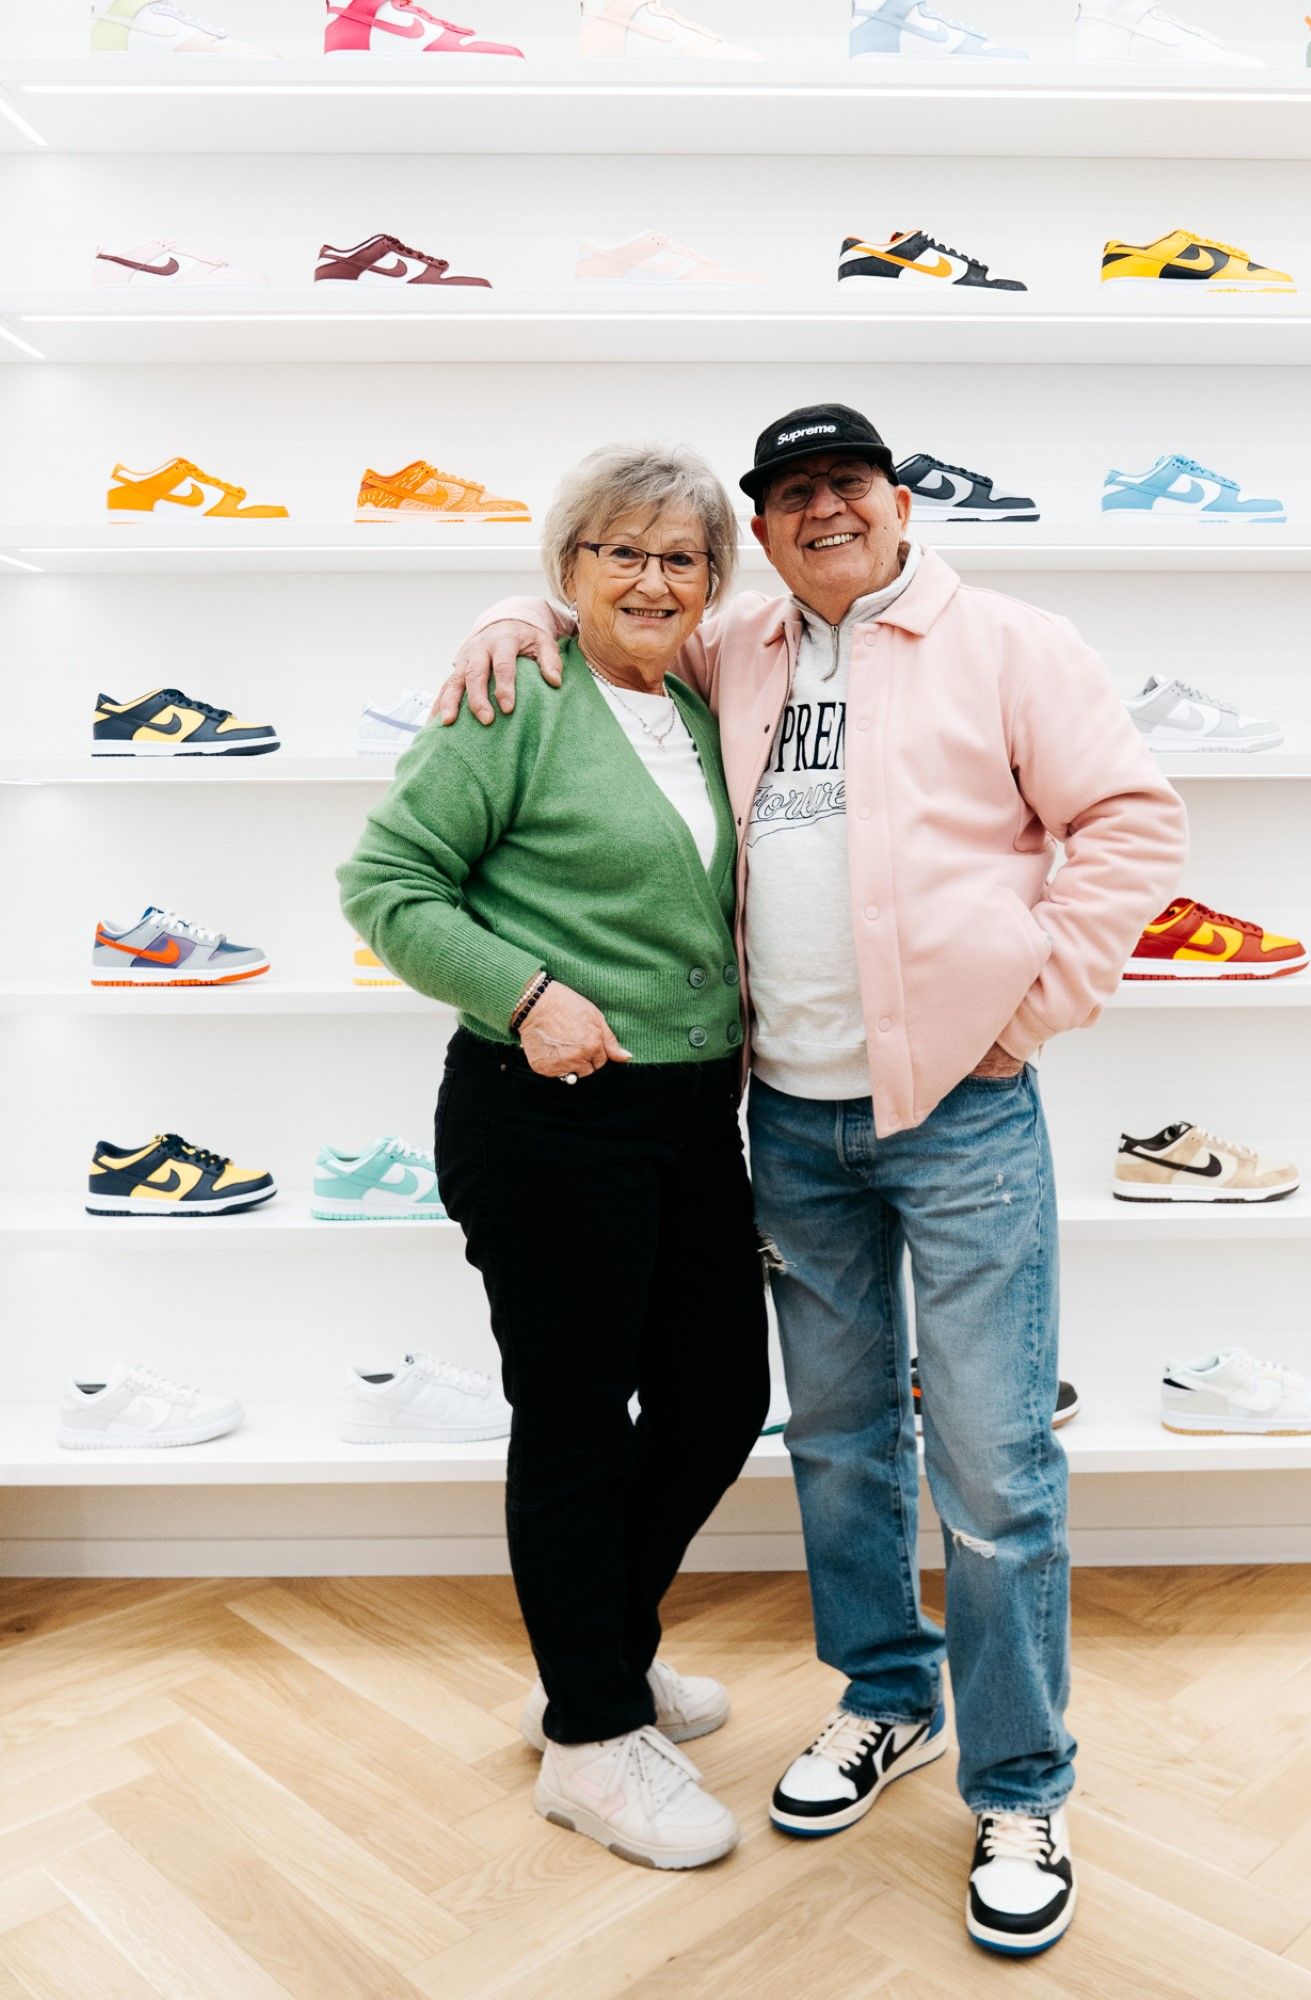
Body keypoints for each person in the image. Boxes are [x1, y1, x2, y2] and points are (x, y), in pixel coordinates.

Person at [432, 404, 1188, 1955]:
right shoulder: (740, 648)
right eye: (789, 496)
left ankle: (1021, 1784)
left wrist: (1031, 1009)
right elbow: (618, 631)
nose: (822, 509)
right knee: (838, 1444)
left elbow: (1129, 820)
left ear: (900, 503)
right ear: (760, 536)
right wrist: (519, 612)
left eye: (848, 483)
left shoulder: (1011, 643)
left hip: (963, 1118)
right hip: (786, 1119)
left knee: (993, 1466)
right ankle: (886, 1695)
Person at [338, 443, 770, 1873]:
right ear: (567, 568)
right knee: (578, 1420)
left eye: (680, 558)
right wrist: (524, 994)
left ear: (713, 582)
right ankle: (591, 1737)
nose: (652, 580)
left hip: (689, 1115)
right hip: (546, 1114)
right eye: (619, 552)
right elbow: (384, 881)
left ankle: (597, 1655)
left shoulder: (696, 702)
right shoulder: (516, 695)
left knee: (717, 1398)